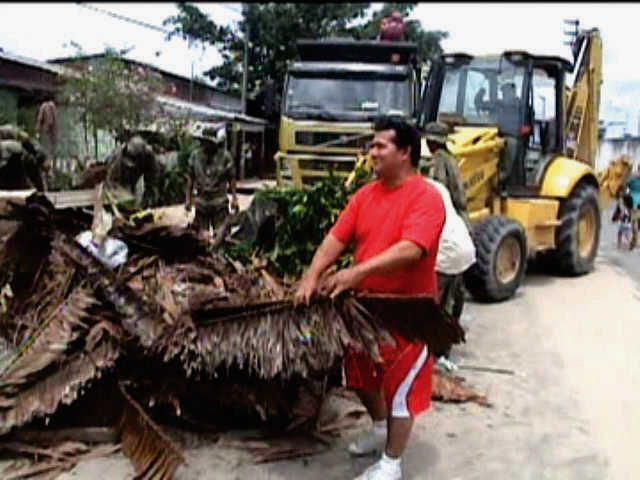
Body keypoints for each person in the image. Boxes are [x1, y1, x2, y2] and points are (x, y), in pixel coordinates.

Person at [295, 116, 445, 480]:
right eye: (372, 144)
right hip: (363, 310)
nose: (371, 152)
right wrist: (312, 275)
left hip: (407, 313)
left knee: (400, 391)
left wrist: (355, 273)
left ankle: (392, 463)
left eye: (380, 145)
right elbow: (336, 239)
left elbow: (412, 249)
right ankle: (381, 430)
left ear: (405, 152)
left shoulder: (426, 196)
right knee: (360, 378)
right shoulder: (365, 195)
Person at [422, 122, 476, 362]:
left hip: (448, 233)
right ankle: (446, 342)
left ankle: (438, 348)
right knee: (455, 292)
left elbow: (436, 194)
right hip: (461, 230)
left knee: (439, 297)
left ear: (432, 142)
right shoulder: (452, 159)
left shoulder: (438, 164)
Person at [189, 124, 239, 231]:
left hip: (219, 203)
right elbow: (190, 178)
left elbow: (232, 178)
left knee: (221, 235)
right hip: (201, 203)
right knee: (201, 237)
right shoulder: (195, 156)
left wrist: (234, 198)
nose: (205, 145)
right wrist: (188, 199)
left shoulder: (225, 157)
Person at [626, 163, 640, 249]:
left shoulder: (633, 179)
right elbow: (625, 186)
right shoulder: (633, 180)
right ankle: (634, 240)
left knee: (636, 225)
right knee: (634, 225)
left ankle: (634, 241)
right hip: (633, 206)